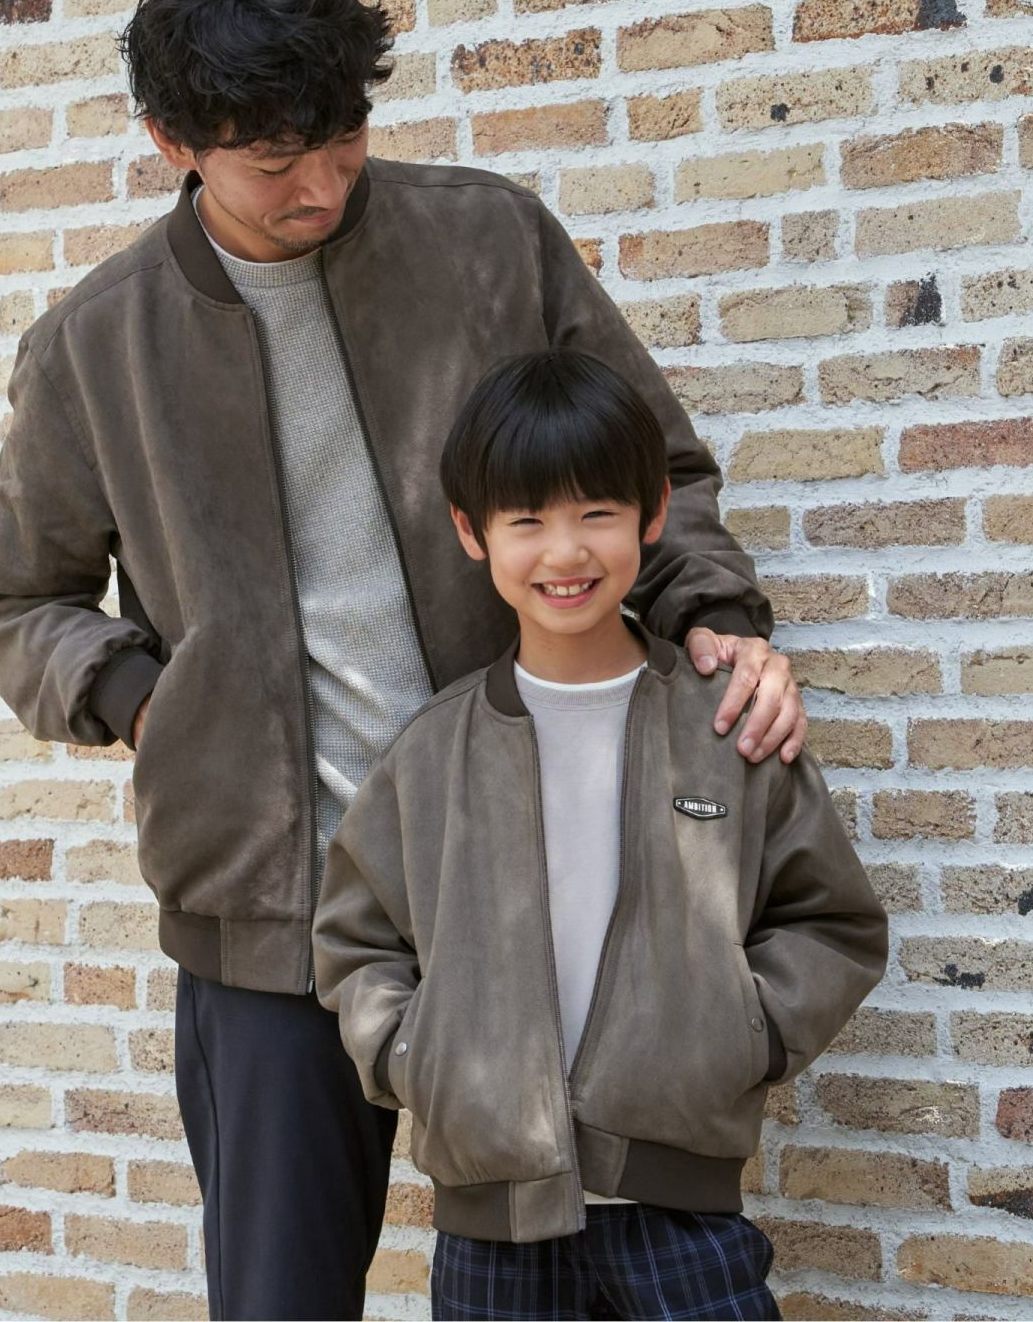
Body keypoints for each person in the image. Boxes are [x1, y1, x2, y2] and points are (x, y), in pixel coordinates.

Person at [0, 0, 812, 1322]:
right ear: (173, 142)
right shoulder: (97, 344)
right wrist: (141, 699)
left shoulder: (489, 241)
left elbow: (656, 470)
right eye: (272, 161)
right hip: (268, 915)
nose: (321, 186)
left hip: (538, 880)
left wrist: (713, 615)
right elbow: (5, 593)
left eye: (344, 139)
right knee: (281, 1300)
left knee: (593, 1288)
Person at [313, 350, 888, 1322]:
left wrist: (739, 1032)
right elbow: (357, 941)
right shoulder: (432, 753)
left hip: (684, 1216)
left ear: (653, 514)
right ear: (471, 531)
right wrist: (417, 1056)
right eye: (527, 521)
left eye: (596, 513)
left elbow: (831, 923)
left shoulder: (724, 727)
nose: (565, 552)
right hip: (492, 1230)